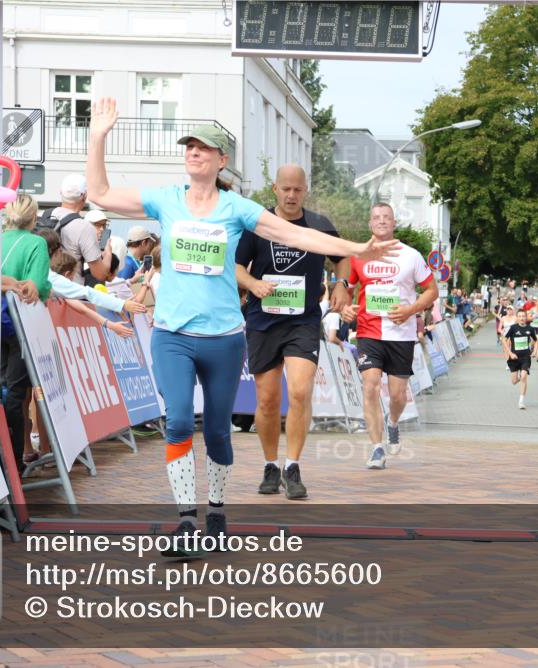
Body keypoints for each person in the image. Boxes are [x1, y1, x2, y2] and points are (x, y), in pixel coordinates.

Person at [85, 98, 397, 552]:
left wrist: (355, 248)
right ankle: (186, 522)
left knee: (215, 429)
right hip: (173, 333)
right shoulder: (165, 200)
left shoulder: (237, 208)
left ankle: (215, 510)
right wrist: (98, 136)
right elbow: (100, 192)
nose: (194, 152)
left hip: (224, 338)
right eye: (189, 147)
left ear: (220, 160)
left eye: (203, 148)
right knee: (176, 423)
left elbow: (296, 235)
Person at [235, 164, 351, 500]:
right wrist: (253, 283)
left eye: (297, 189)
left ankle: (292, 465)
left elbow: (342, 257)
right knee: (268, 400)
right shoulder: (258, 225)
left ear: (306, 190)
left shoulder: (318, 225)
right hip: (263, 320)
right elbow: (237, 267)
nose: (291, 195)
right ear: (274, 189)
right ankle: (270, 464)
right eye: (285, 189)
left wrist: (341, 283)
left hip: (302, 321)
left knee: (300, 391)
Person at [341, 202, 438, 470]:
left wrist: (411, 310)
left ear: (394, 223)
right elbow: (344, 289)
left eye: (386, 217)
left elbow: (432, 290)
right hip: (369, 331)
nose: (381, 221)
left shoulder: (411, 255)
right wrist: (345, 308)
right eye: (376, 217)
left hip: (401, 334)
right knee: (370, 385)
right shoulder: (359, 256)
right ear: (370, 223)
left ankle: (393, 423)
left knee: (398, 395)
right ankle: (376, 448)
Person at [0, 195, 52, 472]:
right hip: (20, 325)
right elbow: (38, 287)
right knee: (16, 395)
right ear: (34, 218)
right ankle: (14, 465)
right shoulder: (36, 243)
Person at [43, 174, 114, 283]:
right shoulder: (85, 227)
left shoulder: (41, 216)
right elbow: (100, 274)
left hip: (42, 291)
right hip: (69, 293)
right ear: (84, 196)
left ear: (61, 192)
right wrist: (108, 253)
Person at [503, 309, 538, 410]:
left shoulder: (530, 328)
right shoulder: (513, 328)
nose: (522, 318)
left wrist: (535, 352)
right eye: (520, 316)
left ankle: (521, 401)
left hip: (525, 357)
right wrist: (510, 353)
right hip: (514, 357)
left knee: (524, 377)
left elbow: (537, 341)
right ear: (517, 317)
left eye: (523, 316)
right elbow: (504, 340)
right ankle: (519, 377)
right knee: (514, 381)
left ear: (526, 317)